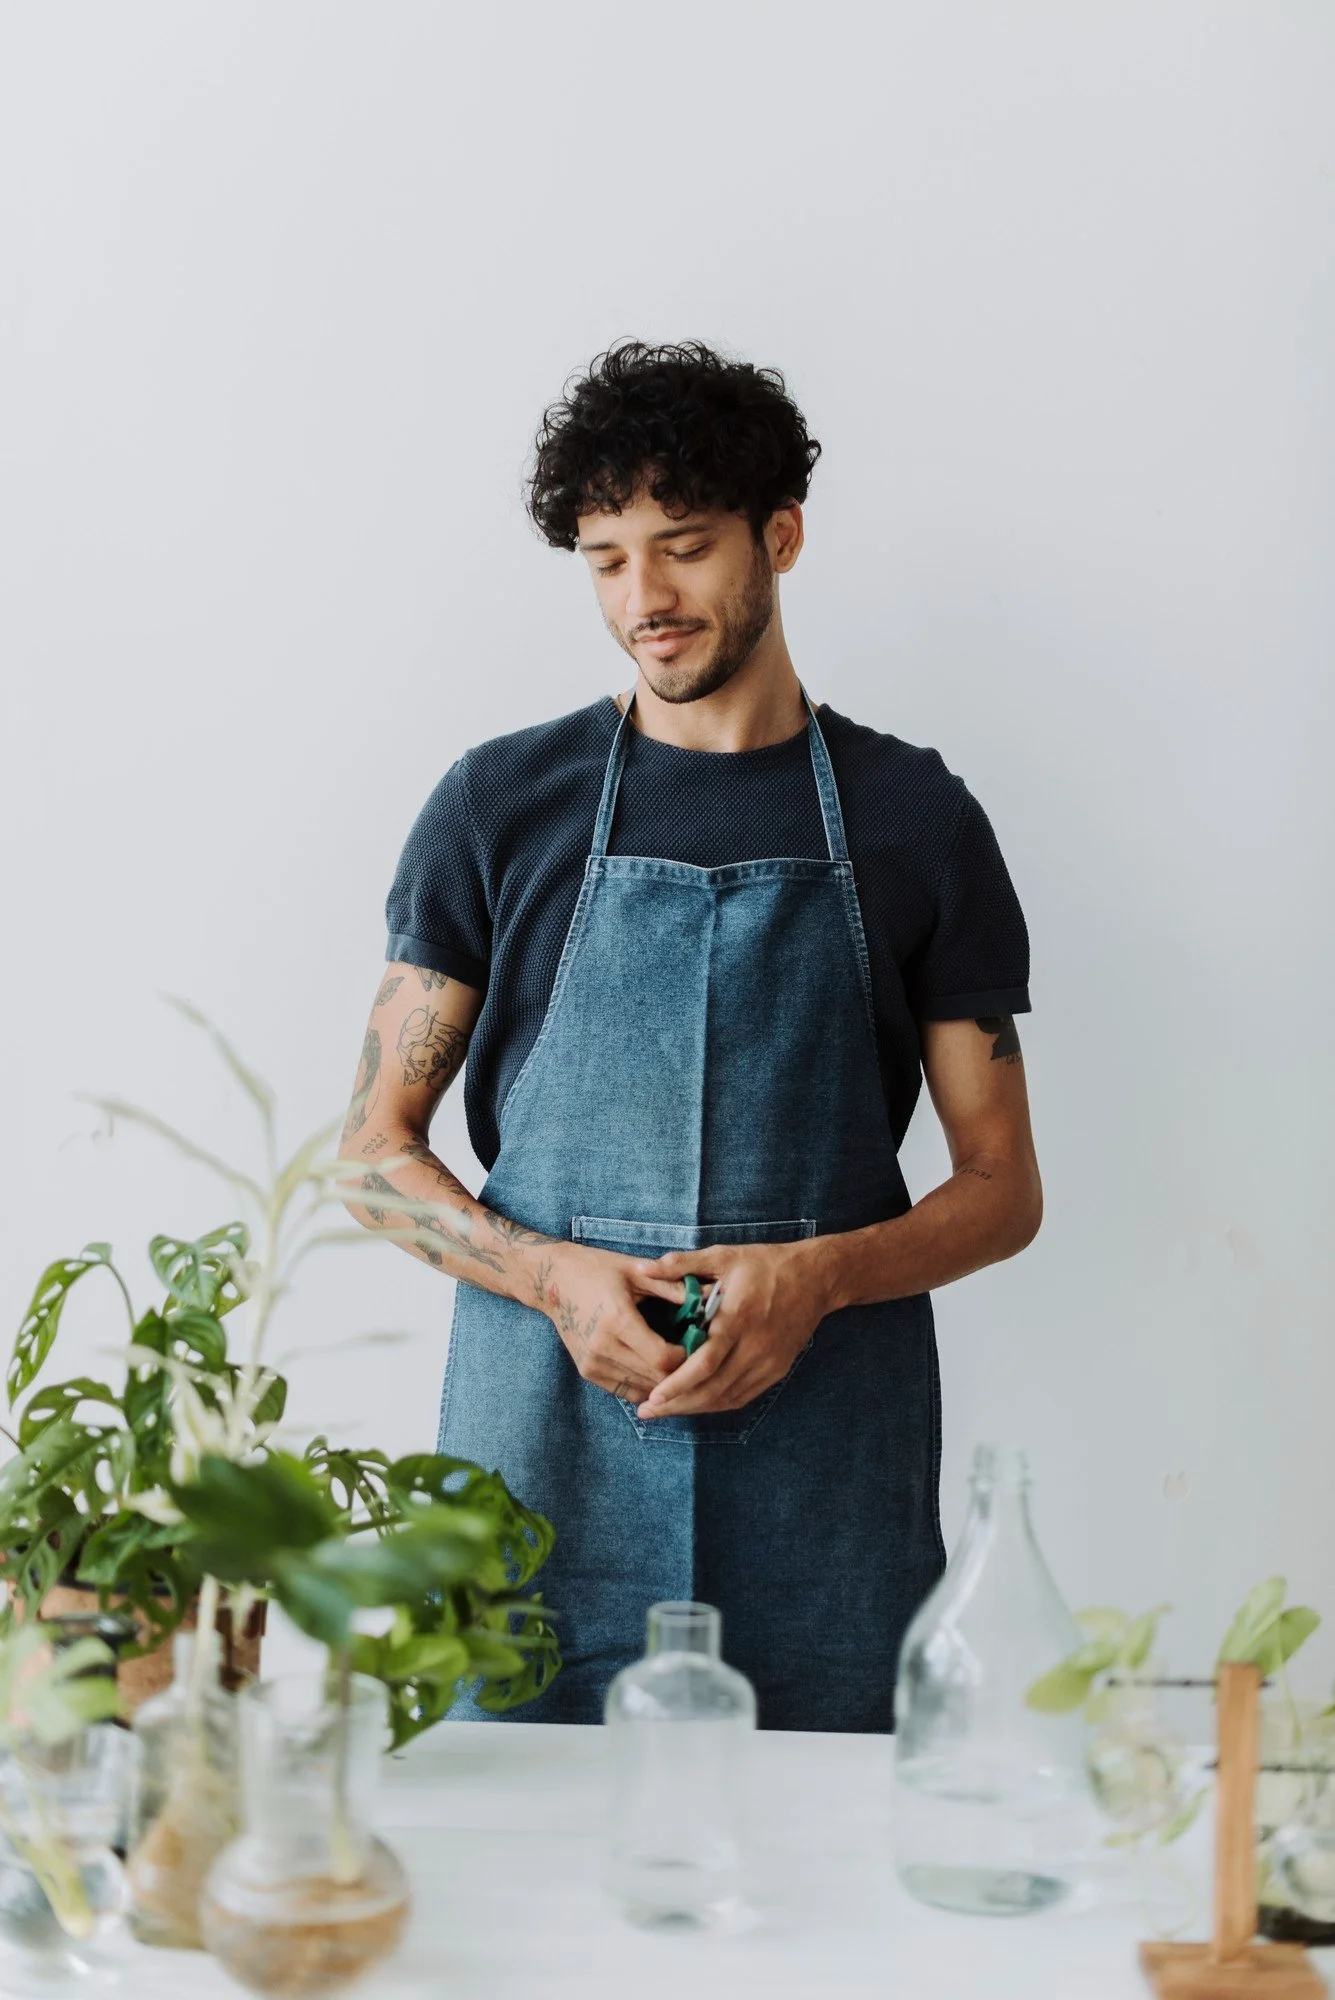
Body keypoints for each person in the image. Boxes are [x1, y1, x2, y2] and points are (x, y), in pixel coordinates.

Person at [339, 340, 1042, 1731]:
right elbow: (369, 1157)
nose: (643, 601)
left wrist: (815, 1282)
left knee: (825, 1858)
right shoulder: (501, 805)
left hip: (825, 1455)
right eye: (605, 559)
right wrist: (550, 1282)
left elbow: (1000, 1190)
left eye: (683, 548)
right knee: (514, 1846)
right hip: (541, 1446)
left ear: (779, 536)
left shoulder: (916, 821)